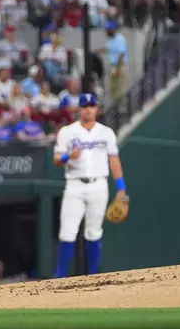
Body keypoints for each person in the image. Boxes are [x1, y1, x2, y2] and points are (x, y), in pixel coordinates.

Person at [52, 93, 126, 277]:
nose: (88, 109)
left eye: (92, 106)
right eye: (85, 106)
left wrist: (121, 188)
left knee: (94, 232)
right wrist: (67, 156)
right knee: (67, 232)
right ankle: (59, 277)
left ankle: (93, 275)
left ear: (97, 109)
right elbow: (56, 159)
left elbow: (114, 160)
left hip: (99, 184)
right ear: (79, 109)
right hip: (75, 185)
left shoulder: (106, 132)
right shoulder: (67, 131)